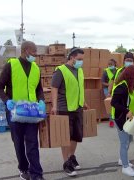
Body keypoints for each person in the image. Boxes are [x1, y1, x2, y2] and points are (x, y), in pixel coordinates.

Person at [0, 41, 45, 180]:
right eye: (34, 51)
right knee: (18, 143)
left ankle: (37, 174)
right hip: (15, 112)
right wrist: (7, 101)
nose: (36, 54)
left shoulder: (36, 67)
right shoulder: (11, 65)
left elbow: (39, 89)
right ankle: (23, 168)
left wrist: (41, 100)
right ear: (25, 51)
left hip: (31, 112)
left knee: (32, 142)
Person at [51, 47, 89, 177]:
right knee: (65, 137)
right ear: (71, 57)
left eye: (82, 60)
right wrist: (54, 106)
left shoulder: (79, 71)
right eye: (79, 59)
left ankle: (71, 157)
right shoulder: (60, 71)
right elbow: (54, 88)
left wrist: (83, 101)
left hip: (77, 107)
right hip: (64, 107)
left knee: (76, 136)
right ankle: (66, 163)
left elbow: (79, 87)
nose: (81, 62)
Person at [101, 58, 118, 127]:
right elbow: (102, 82)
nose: (110, 65)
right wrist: (110, 85)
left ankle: (116, 119)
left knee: (116, 104)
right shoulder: (105, 71)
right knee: (110, 104)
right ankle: (111, 120)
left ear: (115, 64)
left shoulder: (118, 70)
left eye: (111, 64)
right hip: (107, 89)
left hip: (116, 89)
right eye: (109, 64)